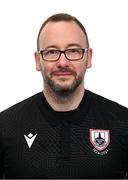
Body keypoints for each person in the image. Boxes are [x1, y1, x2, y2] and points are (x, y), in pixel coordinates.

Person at [0, 13, 128, 179]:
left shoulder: (123, 123)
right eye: (52, 52)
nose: (62, 62)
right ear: (38, 60)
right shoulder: (5, 127)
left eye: (73, 50)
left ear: (88, 58)